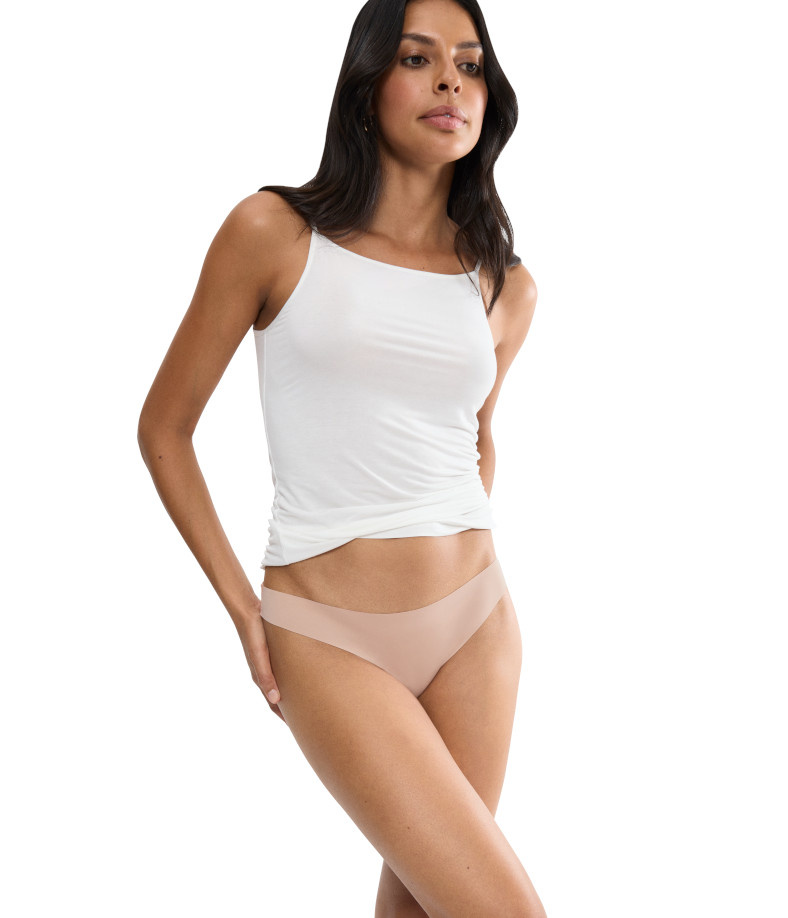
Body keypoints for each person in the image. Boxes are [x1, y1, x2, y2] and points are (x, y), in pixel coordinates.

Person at [138, 0, 545, 914]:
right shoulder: (273, 232)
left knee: (425, 906)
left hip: (476, 626)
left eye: (471, 64)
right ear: (367, 86)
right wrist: (245, 613)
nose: (451, 82)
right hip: (330, 635)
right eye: (419, 58)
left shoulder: (505, 283)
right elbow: (164, 429)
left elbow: (475, 435)